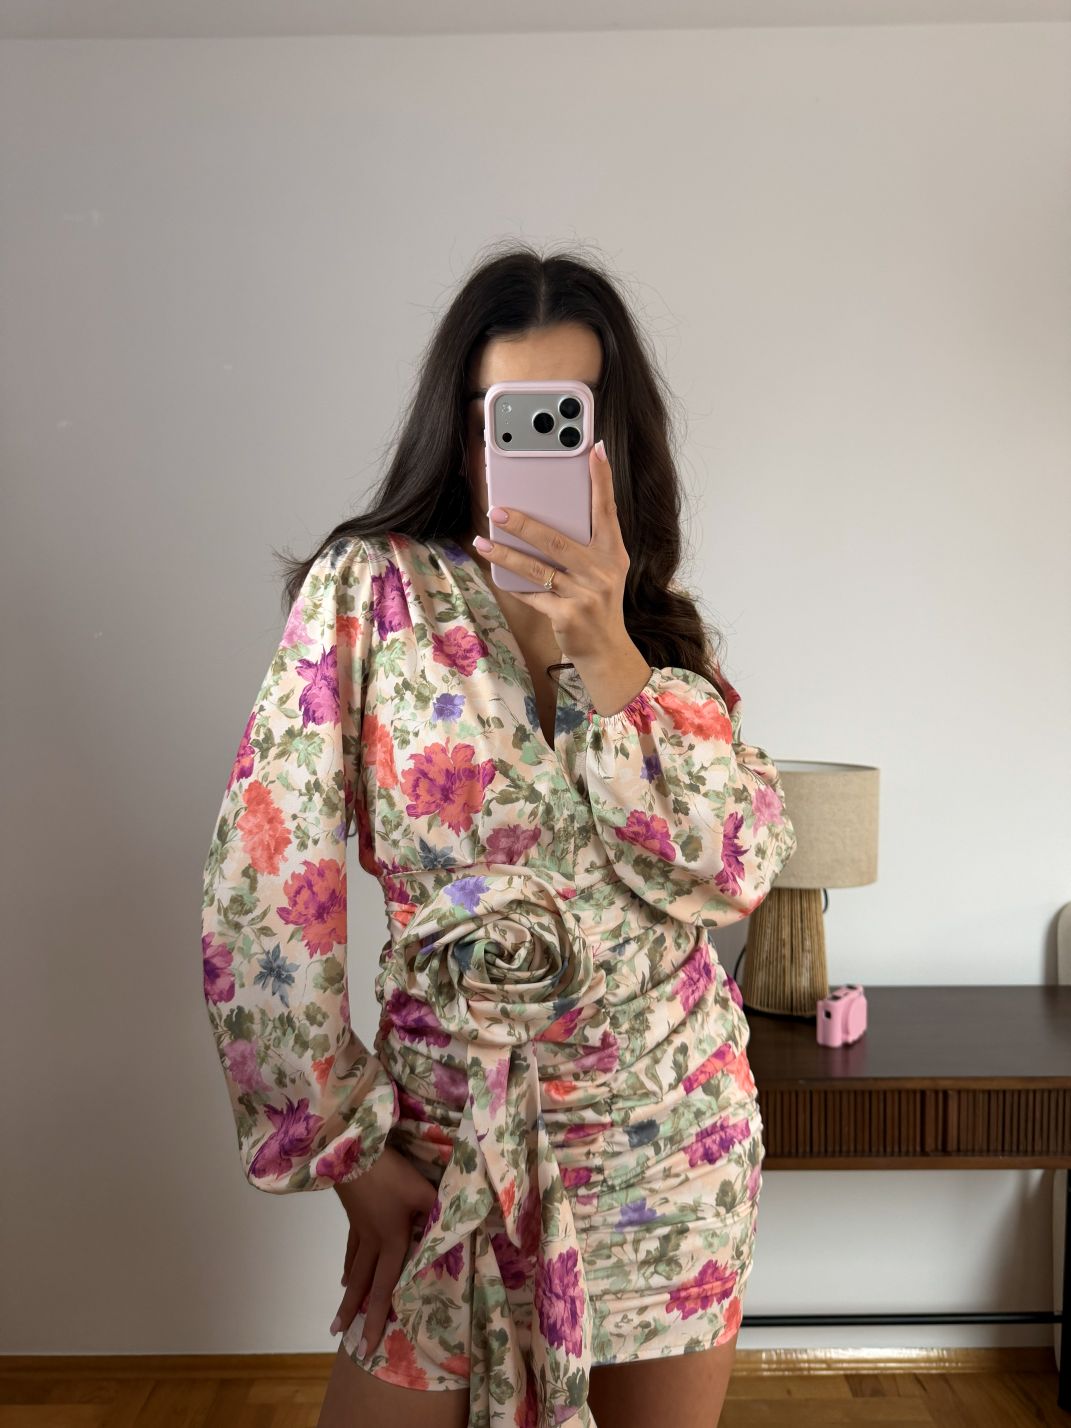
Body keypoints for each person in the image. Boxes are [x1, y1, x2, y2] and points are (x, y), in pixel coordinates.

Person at [200, 243, 798, 1428]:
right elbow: (265, 884)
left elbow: (733, 872)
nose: (526, 452)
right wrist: (344, 1149)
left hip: (668, 1149)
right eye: (501, 417)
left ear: (613, 439)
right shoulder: (370, 594)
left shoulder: (662, 641)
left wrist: (608, 649)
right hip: (447, 1147)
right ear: (460, 428)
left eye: (565, 417)